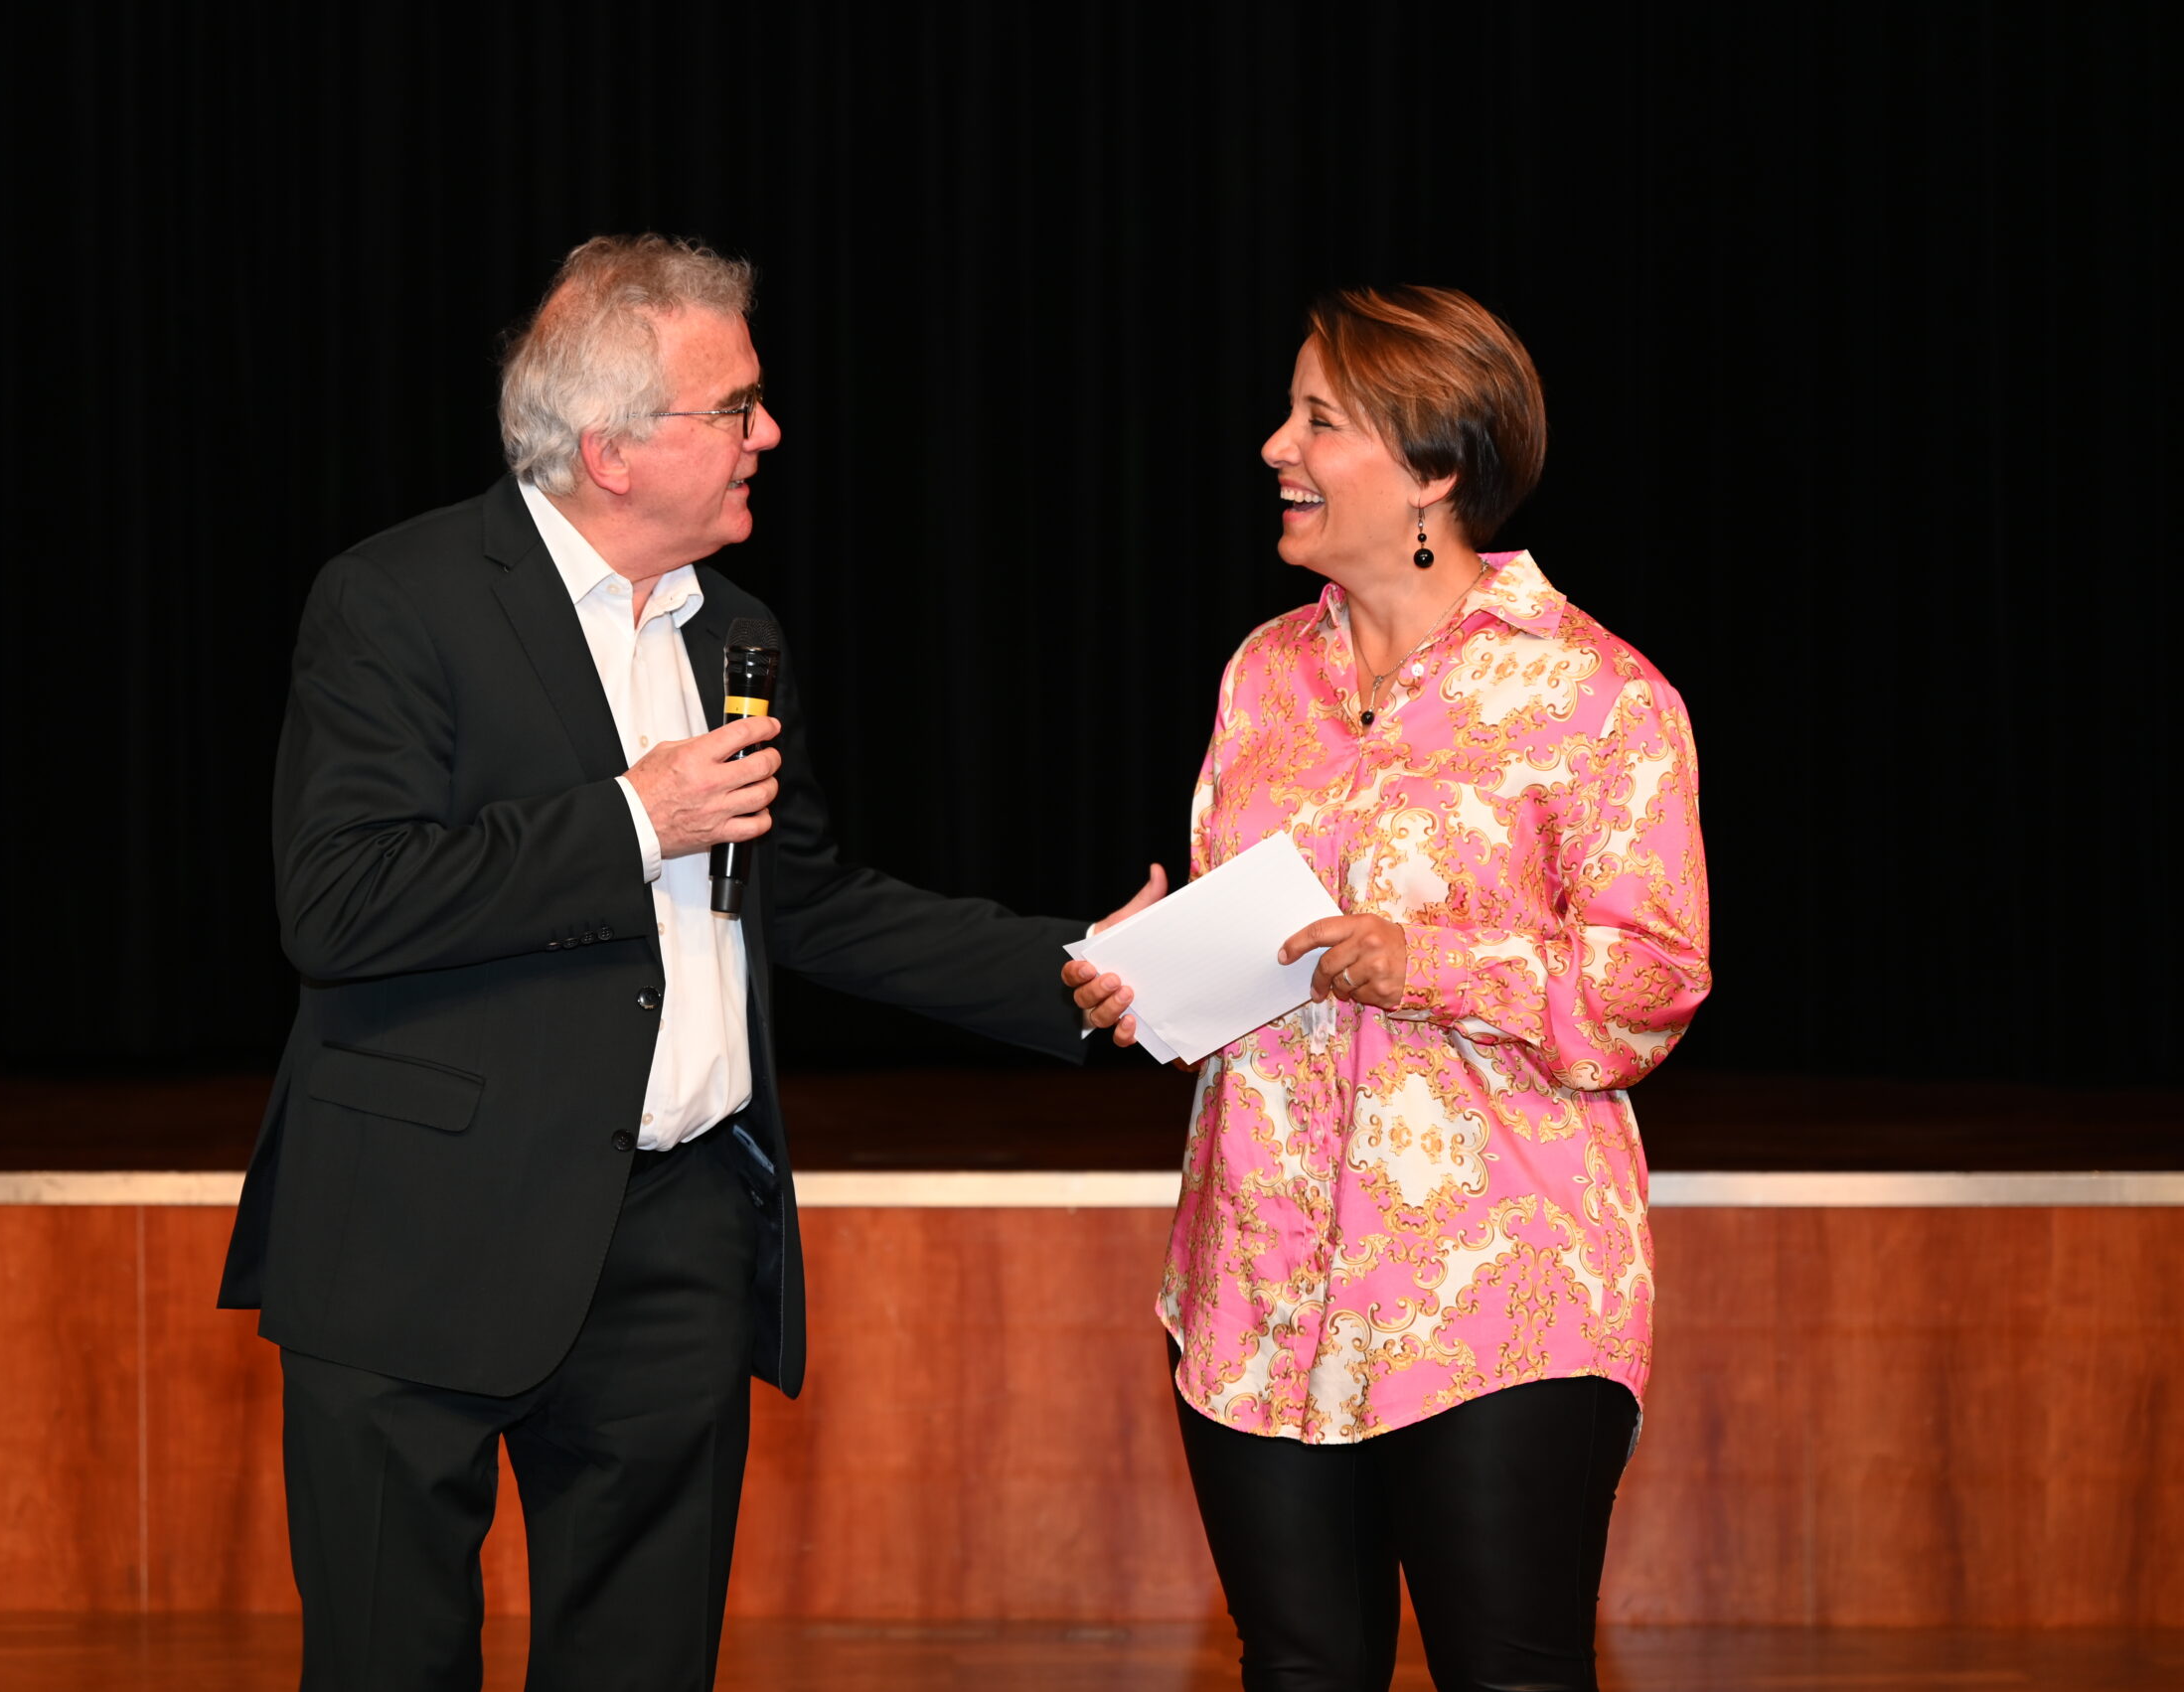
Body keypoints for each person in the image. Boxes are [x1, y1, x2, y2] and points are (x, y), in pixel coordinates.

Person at [218, 233, 1162, 1691]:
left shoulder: (736, 630)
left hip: (671, 1243)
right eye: (735, 407)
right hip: (420, 1237)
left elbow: (803, 902)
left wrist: (1078, 964)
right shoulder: (397, 599)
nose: (767, 435)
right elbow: (339, 902)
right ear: (611, 448)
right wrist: (627, 817)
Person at [1066, 286, 1711, 1692]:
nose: (1272, 447)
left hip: (1500, 1297)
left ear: (1433, 470)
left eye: (1319, 419)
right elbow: (1260, 934)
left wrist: (1424, 961)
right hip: (1257, 1280)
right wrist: (1157, 972)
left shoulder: (1602, 698)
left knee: (1511, 1673)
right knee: (1298, 1670)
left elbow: (1651, 983)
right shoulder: (1263, 676)